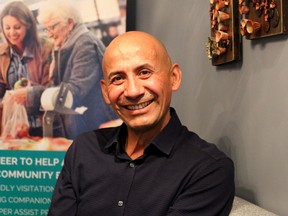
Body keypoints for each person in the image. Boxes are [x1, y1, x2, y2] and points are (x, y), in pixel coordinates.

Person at [48, 31, 235, 216]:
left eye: (144, 73)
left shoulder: (208, 170)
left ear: (174, 78)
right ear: (105, 92)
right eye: (118, 78)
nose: (132, 91)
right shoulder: (84, 150)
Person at [37, 0, 119, 139]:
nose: (49, 34)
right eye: (46, 29)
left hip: (97, 126)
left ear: (69, 23)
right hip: (85, 125)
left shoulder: (84, 44)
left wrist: (33, 96)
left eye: (52, 27)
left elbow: (75, 91)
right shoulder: (64, 46)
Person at [0, 1, 53, 136]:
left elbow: (53, 89)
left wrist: (30, 92)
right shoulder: (2, 54)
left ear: (28, 25)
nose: (12, 33)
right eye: (7, 27)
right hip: (14, 127)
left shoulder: (46, 49)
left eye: (17, 27)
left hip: (43, 125)